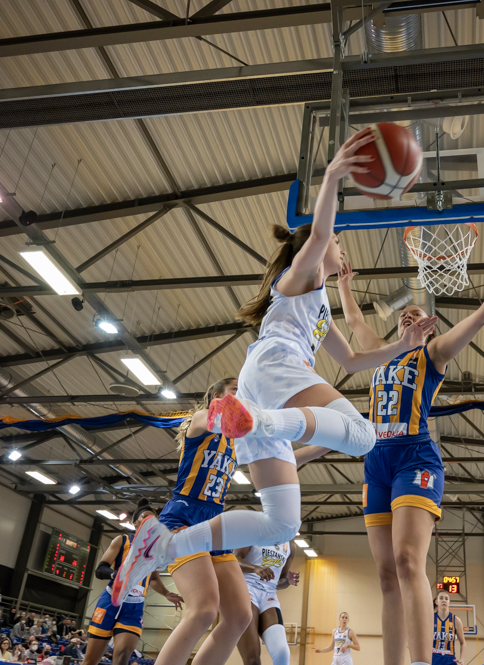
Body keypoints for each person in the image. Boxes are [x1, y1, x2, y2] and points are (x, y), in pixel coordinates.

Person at [113, 131, 437, 603]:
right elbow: (322, 232)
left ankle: (162, 546)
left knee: (279, 524)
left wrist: (403, 344)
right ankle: (256, 421)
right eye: (338, 245)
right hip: (274, 369)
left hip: (261, 386)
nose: (341, 251)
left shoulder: (320, 305)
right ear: (313, 249)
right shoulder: (299, 278)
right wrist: (331, 178)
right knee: (364, 435)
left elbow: (352, 360)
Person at [336, 227, 484, 665]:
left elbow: (480, 318)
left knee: (406, 561)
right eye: (404, 314)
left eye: (417, 313)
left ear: (427, 325)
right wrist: (343, 285)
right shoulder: (381, 352)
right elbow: (355, 322)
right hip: (376, 462)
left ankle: (422, 660)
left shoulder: (433, 353)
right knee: (385, 575)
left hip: (415, 458)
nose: (409, 316)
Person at [151, 378, 252, 665]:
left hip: (215, 524)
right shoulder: (200, 421)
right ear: (217, 396)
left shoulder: (237, 440)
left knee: (240, 616)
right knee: (204, 610)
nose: (242, 395)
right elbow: (216, 416)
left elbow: (285, 460)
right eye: (236, 390)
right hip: (183, 516)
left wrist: (327, 443)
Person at [84, 500, 184, 665]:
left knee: (123, 655)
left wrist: (166, 593)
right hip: (110, 601)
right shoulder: (121, 540)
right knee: (90, 662)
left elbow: (153, 578)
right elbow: (100, 570)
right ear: (136, 522)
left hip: (134, 607)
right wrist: (116, 574)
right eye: (144, 517)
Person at [236, 540, 299, 665]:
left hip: (269, 595)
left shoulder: (290, 545)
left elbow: (279, 581)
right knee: (252, 659)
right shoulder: (255, 531)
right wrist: (255, 569)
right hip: (246, 589)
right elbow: (233, 559)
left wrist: (288, 581)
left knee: (282, 654)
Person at [432, 590, 465, 665]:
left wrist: (462, 658)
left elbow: (463, 642)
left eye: (446, 599)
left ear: (449, 602)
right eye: (441, 598)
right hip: (433, 660)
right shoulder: (431, 618)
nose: (444, 600)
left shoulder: (456, 620)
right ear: (436, 602)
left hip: (450, 661)